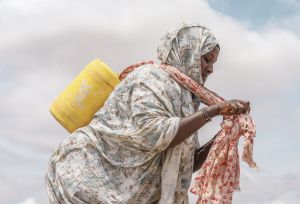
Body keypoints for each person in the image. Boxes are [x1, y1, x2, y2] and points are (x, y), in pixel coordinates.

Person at [45, 22, 250, 204]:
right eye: (206, 59)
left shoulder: (187, 98)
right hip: (87, 181)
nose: (210, 69)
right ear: (187, 51)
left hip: (129, 194)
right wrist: (213, 111)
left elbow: (189, 161)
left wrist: (223, 135)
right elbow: (154, 134)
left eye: (213, 62)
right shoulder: (150, 78)